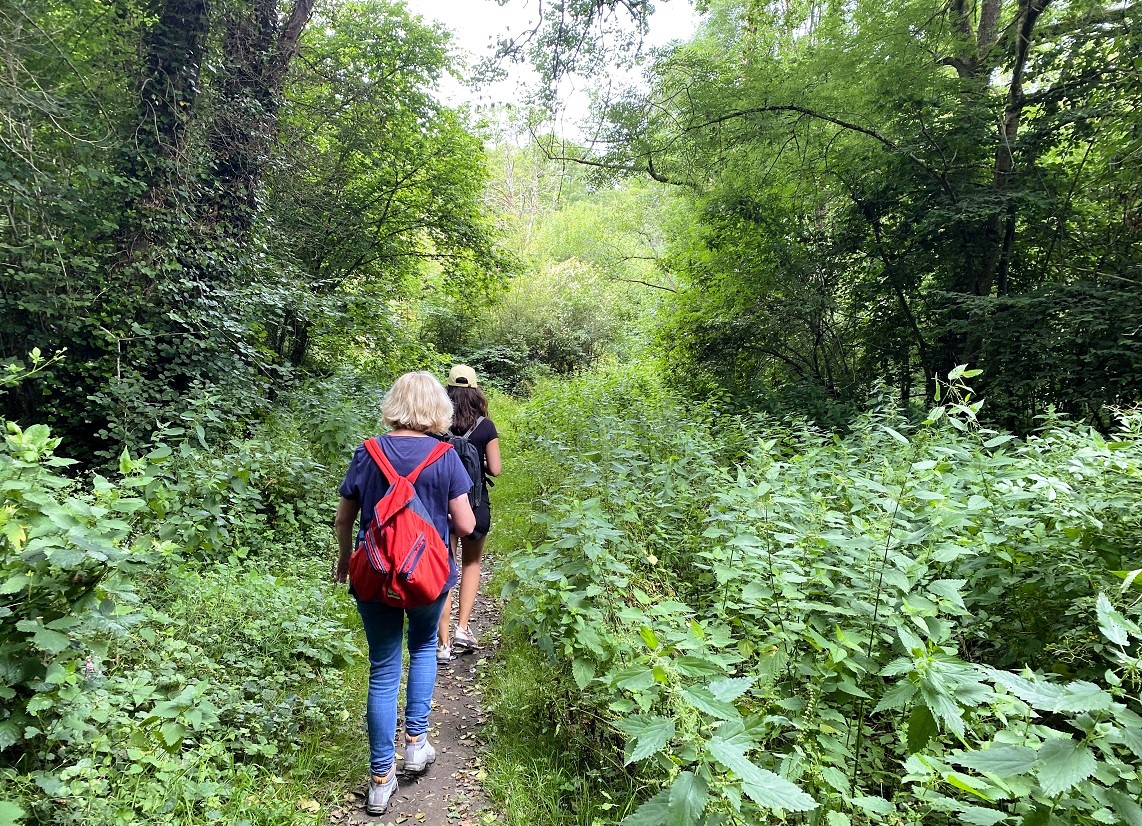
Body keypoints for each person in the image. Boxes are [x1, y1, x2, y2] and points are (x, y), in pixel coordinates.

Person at [333, 372, 476, 816]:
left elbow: (343, 518)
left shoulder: (367, 453)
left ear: (393, 405)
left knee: (382, 668)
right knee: (424, 647)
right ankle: (416, 744)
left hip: (373, 575)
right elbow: (468, 526)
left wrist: (344, 560)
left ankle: (380, 780)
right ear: (437, 409)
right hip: (427, 575)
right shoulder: (444, 455)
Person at [437, 364, 502, 662]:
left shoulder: (437, 425)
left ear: (447, 389)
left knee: (445, 568)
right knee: (472, 563)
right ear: (476, 390)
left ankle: (444, 643)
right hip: (476, 506)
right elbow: (496, 470)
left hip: (443, 506)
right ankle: (463, 628)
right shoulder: (485, 426)